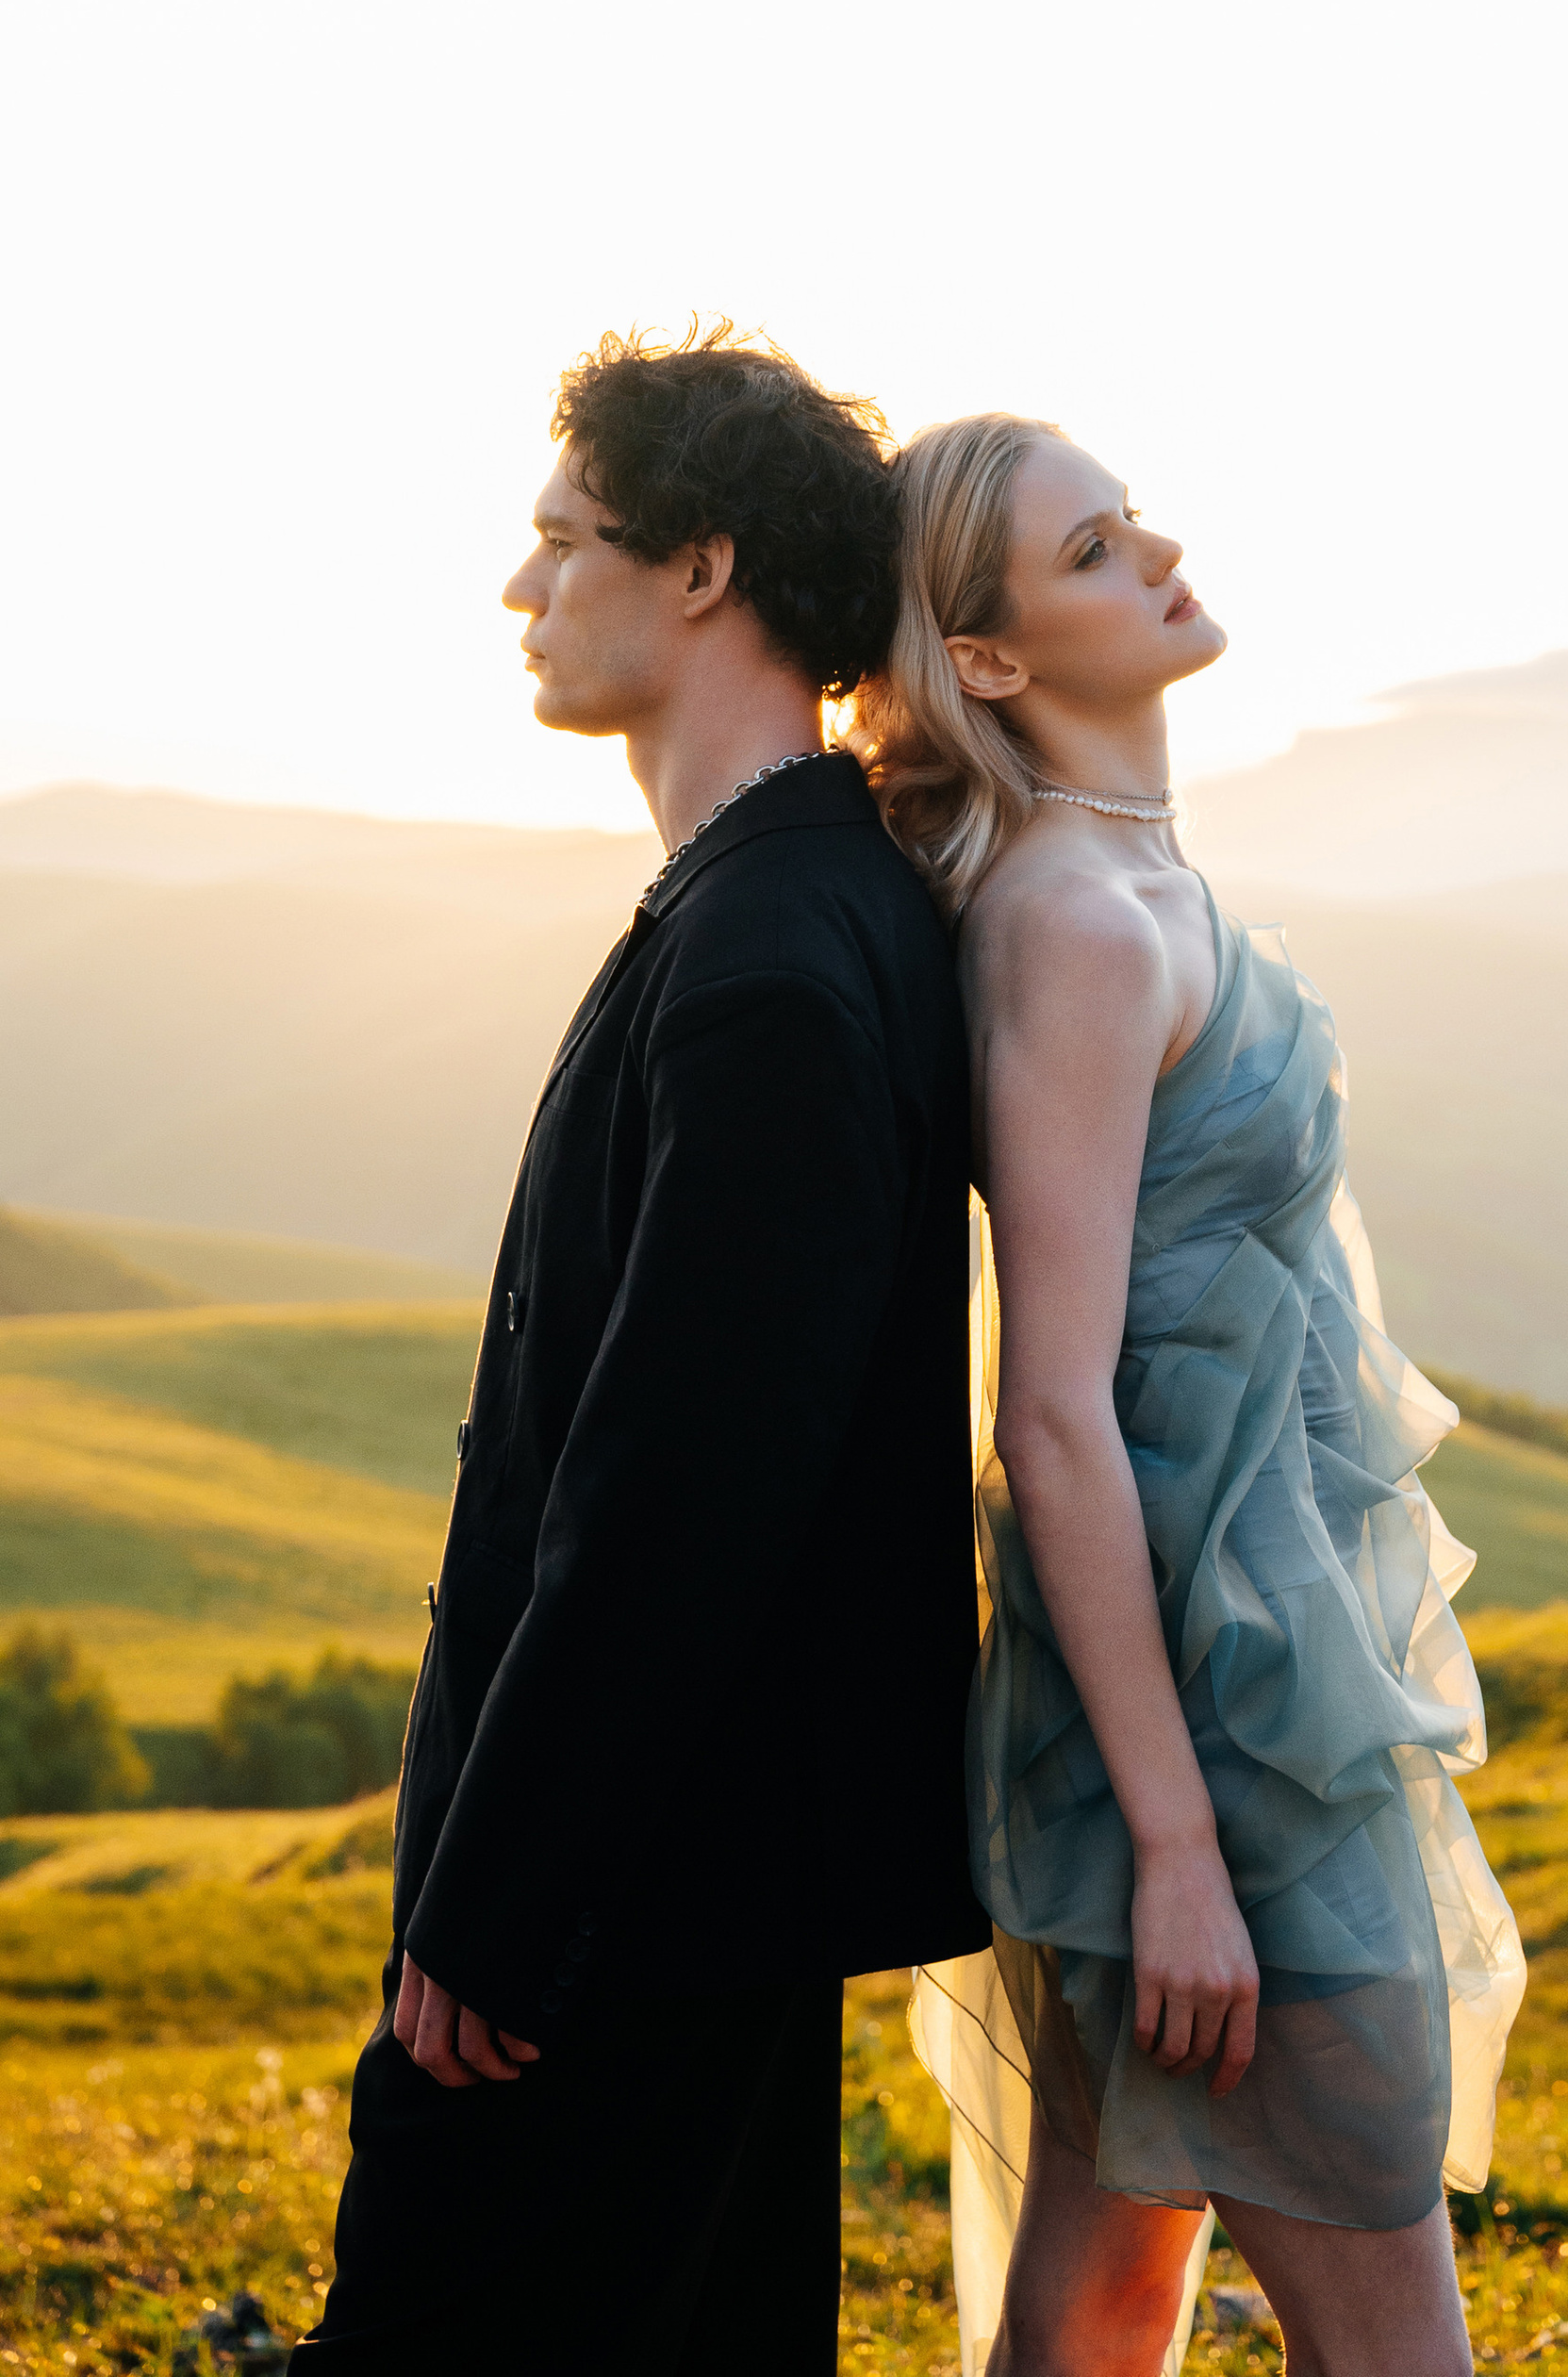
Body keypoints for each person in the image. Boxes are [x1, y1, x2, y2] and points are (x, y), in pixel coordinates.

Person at [296, 327, 987, 2376]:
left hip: (627, 1902)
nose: (520, 583)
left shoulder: (771, 956)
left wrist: (503, 1903)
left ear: (701, 567)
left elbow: (685, 1491)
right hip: (702, 1873)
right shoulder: (793, 896)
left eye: (562, 537)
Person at [857, 420, 1524, 2377]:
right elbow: (1050, 1416)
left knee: (1101, 2305)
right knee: (1388, 2342)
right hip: (1217, 1728)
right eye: (1091, 547)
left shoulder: (1134, 877)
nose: (1156, 550)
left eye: (1130, 516)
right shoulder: (1075, 924)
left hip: (1234, 1672)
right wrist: (1173, 1846)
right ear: (987, 657)